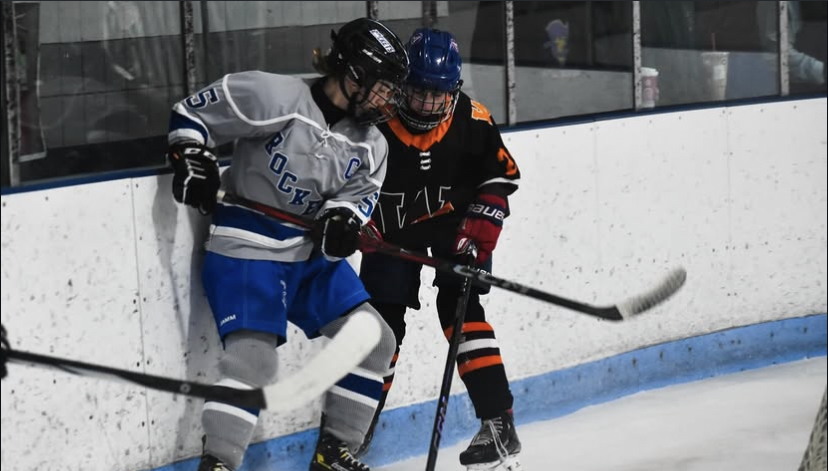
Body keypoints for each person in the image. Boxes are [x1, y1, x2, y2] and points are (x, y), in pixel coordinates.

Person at [166, 18, 409, 471]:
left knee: (374, 340)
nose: (387, 100)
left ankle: (334, 452)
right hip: (247, 247)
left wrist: (343, 223)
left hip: (307, 256)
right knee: (254, 361)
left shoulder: (373, 144)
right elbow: (192, 115)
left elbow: (356, 201)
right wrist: (191, 156)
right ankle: (218, 461)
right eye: (382, 88)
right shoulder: (274, 96)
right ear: (353, 74)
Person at [357, 28, 522, 470]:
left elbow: (501, 178)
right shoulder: (373, 121)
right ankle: (355, 427)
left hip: (458, 226)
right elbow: (346, 182)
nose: (428, 104)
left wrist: (480, 231)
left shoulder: (473, 118)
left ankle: (498, 424)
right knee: (381, 322)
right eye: (418, 92)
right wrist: (360, 224)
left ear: (455, 90)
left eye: (438, 95)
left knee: (461, 310)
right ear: (401, 85)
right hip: (392, 232)